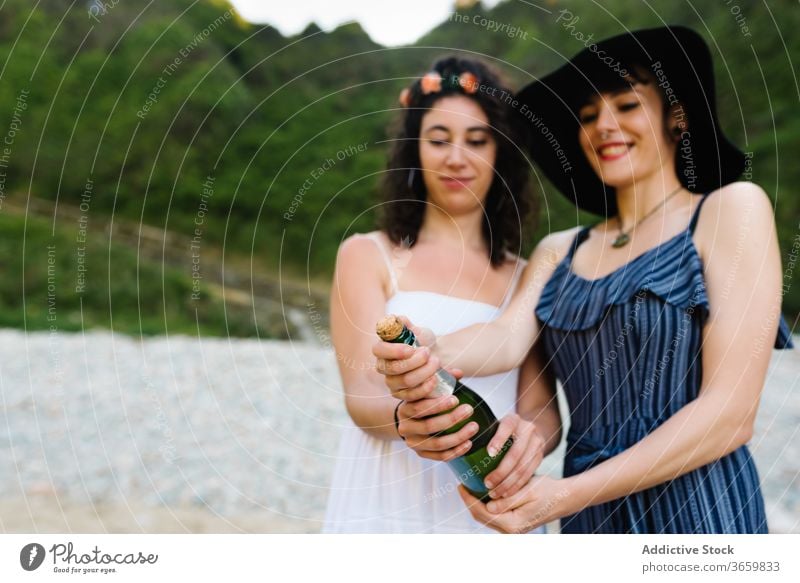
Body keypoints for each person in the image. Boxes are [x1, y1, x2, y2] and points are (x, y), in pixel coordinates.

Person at [373, 27, 795, 533]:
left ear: (676, 116)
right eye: (589, 116)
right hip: (589, 519)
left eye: (627, 105)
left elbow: (731, 412)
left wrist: (564, 496)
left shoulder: (729, 211)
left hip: (699, 508)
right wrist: (429, 350)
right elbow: (504, 339)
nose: (605, 126)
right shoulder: (560, 250)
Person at [322, 56, 562, 533]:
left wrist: (529, 440)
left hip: (493, 508)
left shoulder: (527, 274)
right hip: (387, 504)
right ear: (415, 150)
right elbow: (362, 392)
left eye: (477, 141)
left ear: (501, 153)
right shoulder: (368, 255)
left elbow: (541, 411)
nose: (457, 158)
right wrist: (408, 420)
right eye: (439, 140)